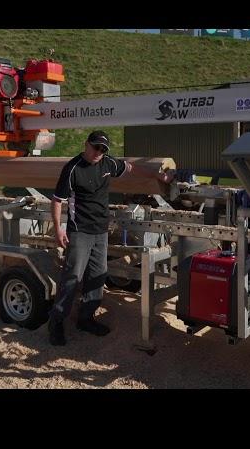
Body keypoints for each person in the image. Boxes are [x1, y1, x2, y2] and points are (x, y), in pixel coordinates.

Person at [47, 130, 173, 346]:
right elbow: (57, 200)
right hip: (80, 231)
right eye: (95, 147)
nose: (98, 152)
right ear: (86, 144)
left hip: (101, 231)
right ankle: (56, 323)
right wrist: (59, 229)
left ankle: (86, 318)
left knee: (98, 275)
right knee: (73, 277)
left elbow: (132, 168)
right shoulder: (72, 169)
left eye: (103, 149)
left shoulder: (108, 164)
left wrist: (158, 175)